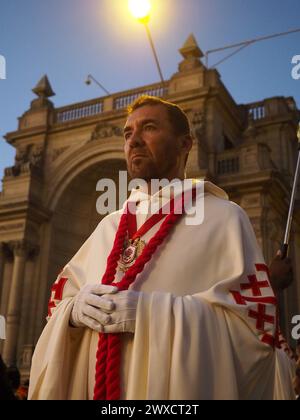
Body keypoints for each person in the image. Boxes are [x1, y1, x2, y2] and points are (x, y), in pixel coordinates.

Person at [29, 96, 296, 400]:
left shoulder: (224, 217)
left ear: (185, 144)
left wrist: (148, 313)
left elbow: (252, 328)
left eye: (149, 128)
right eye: (128, 134)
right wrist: (73, 312)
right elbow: (58, 302)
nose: (134, 141)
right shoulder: (108, 226)